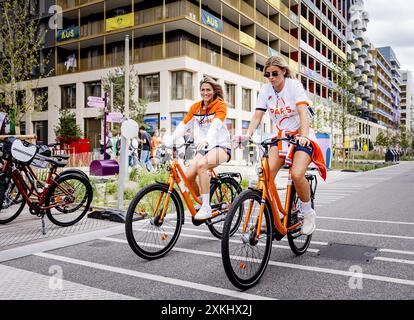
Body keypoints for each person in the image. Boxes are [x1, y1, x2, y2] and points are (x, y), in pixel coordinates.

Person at [234, 55, 327, 235]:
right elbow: (258, 116)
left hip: (301, 135)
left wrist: (304, 136)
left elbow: (303, 113)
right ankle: (272, 216)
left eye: (274, 74)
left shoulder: (294, 86)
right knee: (266, 176)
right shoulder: (266, 90)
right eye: (267, 74)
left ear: (283, 71)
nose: (271, 78)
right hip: (281, 138)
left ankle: (308, 213)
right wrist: (247, 135)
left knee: (297, 174)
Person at [165, 76, 232, 220]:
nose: (205, 92)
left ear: (214, 91)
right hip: (204, 147)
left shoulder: (220, 105)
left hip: (221, 146)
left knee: (202, 165)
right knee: (188, 178)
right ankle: (203, 201)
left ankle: (206, 208)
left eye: (208, 90)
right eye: (203, 90)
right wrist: (170, 140)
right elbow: (183, 126)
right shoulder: (196, 107)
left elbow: (215, 126)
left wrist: (207, 140)